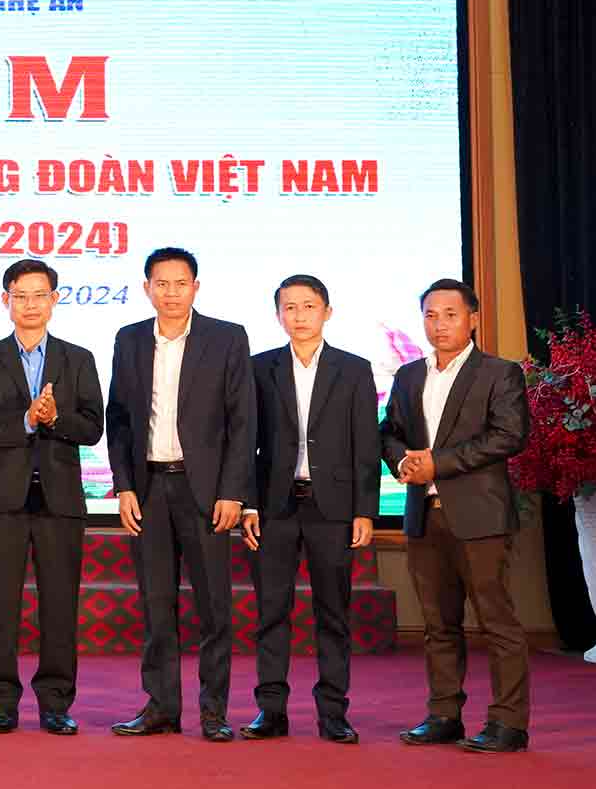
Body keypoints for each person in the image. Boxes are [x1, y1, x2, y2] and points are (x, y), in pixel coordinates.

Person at [106, 247, 254, 742]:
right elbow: (120, 421)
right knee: (156, 604)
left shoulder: (226, 338)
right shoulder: (129, 340)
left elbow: (242, 420)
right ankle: (161, 707)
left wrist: (234, 491)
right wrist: (124, 485)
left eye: (180, 282)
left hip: (206, 491)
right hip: (148, 487)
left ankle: (214, 712)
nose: (171, 292)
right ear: (147, 287)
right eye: (161, 283)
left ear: (196, 287)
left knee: (214, 607)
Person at [382, 278, 531, 753]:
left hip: (480, 516)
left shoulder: (499, 372)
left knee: (496, 622)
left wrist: (437, 463)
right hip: (424, 515)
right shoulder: (408, 375)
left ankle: (509, 724)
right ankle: (444, 714)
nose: (439, 324)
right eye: (430, 314)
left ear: (473, 318)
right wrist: (402, 460)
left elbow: (510, 435)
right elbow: (389, 431)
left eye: (450, 314)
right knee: (437, 624)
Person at [0, 259, 102, 736]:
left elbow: (93, 426)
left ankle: (56, 703)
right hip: (4, 501)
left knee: (60, 607)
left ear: (54, 300)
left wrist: (55, 417)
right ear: (6, 301)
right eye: (20, 295)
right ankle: (0, 702)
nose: (30, 304)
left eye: (39, 295)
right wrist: (25, 420)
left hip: (60, 502)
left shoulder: (78, 358)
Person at [239, 275, 379, 744]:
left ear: (327, 312)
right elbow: (245, 443)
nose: (299, 316)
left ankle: (333, 712)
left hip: (333, 508)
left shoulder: (354, 369)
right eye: (289, 308)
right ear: (278, 314)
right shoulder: (259, 368)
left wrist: (365, 510)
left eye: (308, 306)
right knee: (271, 612)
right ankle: (271, 710)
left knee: (333, 613)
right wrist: (248, 505)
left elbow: (366, 443)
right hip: (274, 507)